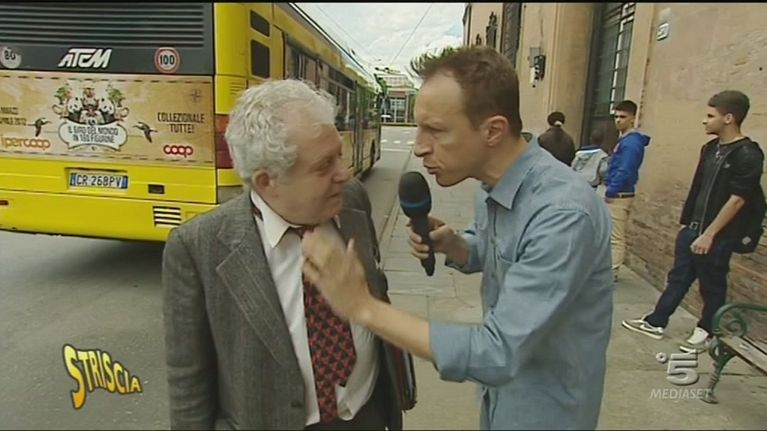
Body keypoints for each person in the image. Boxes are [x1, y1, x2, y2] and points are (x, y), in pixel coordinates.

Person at [301, 46, 613, 430]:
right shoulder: (491, 184)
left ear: (492, 130)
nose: (419, 146)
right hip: (498, 401)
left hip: (547, 411)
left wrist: (362, 307)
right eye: (418, 128)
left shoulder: (562, 214)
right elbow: (505, 251)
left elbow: (497, 352)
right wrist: (458, 246)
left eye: (436, 130)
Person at [162, 79, 414, 431]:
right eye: (323, 166)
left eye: (339, 155)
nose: (343, 173)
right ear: (267, 182)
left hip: (368, 415)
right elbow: (188, 382)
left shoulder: (352, 199)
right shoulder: (198, 246)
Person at [622, 90, 765, 352]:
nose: (704, 120)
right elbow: (699, 189)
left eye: (711, 115)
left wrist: (710, 234)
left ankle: (707, 330)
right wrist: (689, 225)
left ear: (729, 118)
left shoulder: (747, 154)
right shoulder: (710, 149)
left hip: (718, 235)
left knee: (712, 284)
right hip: (693, 229)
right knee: (678, 278)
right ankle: (656, 321)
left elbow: (738, 199)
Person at [604, 100, 651, 281]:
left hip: (619, 194)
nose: (618, 120)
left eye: (623, 117)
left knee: (615, 236)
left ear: (632, 118)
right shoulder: (626, 140)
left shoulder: (631, 143)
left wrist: (612, 190)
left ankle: (612, 271)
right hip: (618, 191)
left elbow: (626, 169)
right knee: (611, 233)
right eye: (616, 116)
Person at [571, 125, 611, 189]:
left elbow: (573, 167)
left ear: (590, 138)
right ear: (602, 140)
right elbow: (603, 170)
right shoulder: (602, 155)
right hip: (592, 185)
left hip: (578, 183)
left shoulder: (579, 153)